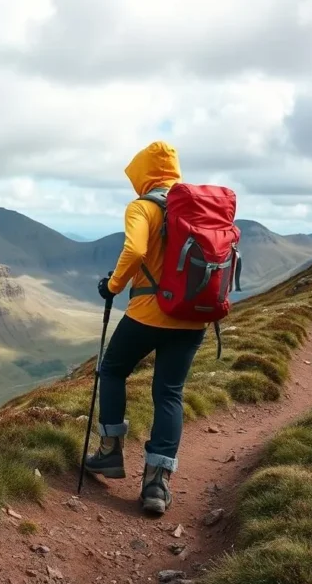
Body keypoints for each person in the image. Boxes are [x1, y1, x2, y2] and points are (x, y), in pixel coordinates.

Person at [84, 141, 207, 515]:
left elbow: (136, 251)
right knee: (169, 393)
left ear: (143, 173)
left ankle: (109, 454)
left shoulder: (142, 207)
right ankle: (156, 485)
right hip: (193, 316)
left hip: (149, 313)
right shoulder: (198, 209)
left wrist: (113, 286)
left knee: (113, 369)